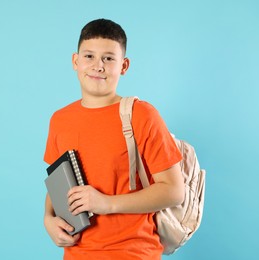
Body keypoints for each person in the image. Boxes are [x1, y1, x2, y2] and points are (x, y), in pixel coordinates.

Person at [44, 18, 184, 259]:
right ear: (75, 62)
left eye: (109, 58)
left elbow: (173, 191)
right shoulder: (60, 120)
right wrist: (48, 219)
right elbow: (59, 183)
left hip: (133, 253)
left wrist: (106, 203)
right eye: (89, 56)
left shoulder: (142, 115)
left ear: (124, 65)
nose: (98, 66)